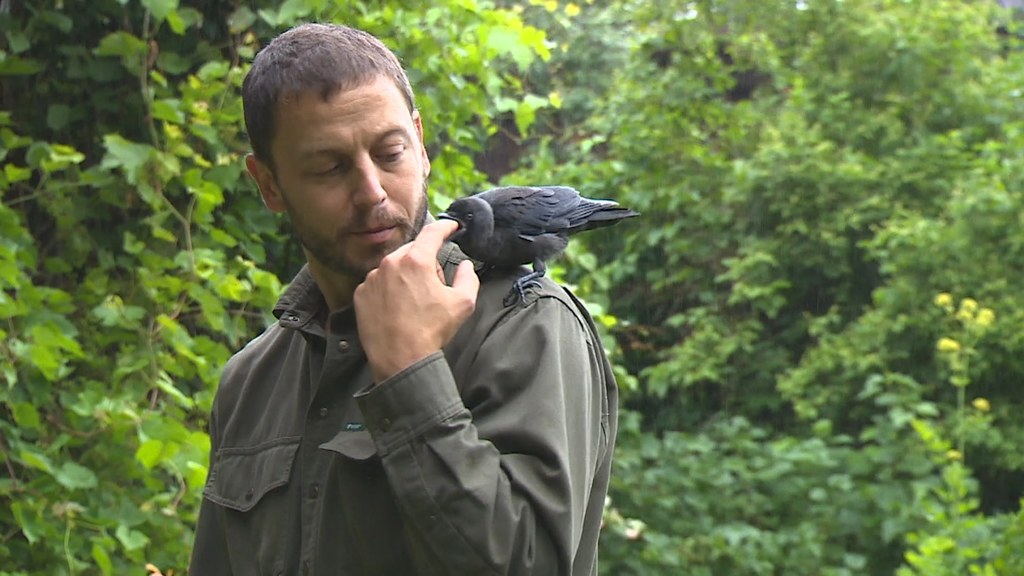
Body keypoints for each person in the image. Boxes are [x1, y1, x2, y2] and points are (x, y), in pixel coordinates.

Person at [189, 22, 618, 576]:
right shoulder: (252, 381)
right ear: (268, 185)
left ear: (421, 143)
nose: (371, 191)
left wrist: (411, 373)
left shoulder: (524, 325)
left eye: (390, 153)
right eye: (329, 167)